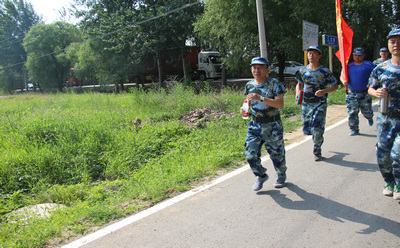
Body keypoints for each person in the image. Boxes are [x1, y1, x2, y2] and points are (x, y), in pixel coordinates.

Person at [240, 57, 287, 191]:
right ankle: (260, 175)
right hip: (255, 125)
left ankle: (281, 174)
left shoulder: (274, 84)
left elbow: (280, 104)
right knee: (250, 154)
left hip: (272, 125)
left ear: (267, 69)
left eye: (260, 67)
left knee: (277, 154)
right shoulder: (249, 85)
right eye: (254, 67)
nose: (257, 70)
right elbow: (247, 102)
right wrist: (244, 109)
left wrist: (261, 97)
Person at [368, 28, 400, 200]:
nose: (396, 45)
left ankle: (399, 183)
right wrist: (377, 93)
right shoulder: (380, 69)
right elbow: (370, 88)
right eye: (393, 41)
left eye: (399, 41)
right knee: (383, 153)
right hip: (385, 117)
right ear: (388, 45)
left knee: (398, 152)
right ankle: (389, 181)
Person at [295, 46, 338, 161]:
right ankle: (316, 138)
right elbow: (299, 84)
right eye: (309, 53)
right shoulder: (303, 71)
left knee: (317, 129)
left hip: (320, 103)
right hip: (306, 104)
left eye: (314, 53)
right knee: (308, 129)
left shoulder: (324, 71)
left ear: (319, 56)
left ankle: (317, 150)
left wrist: (324, 91)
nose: (311, 55)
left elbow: (335, 86)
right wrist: (298, 93)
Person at [342, 47, 375, 136]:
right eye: (355, 55)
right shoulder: (348, 66)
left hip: (365, 93)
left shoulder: (369, 65)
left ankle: (369, 117)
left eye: (359, 55)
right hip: (352, 93)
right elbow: (342, 75)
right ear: (353, 55)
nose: (357, 57)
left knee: (366, 111)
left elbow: (376, 76)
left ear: (363, 55)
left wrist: (373, 84)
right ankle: (354, 129)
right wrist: (343, 81)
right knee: (352, 112)